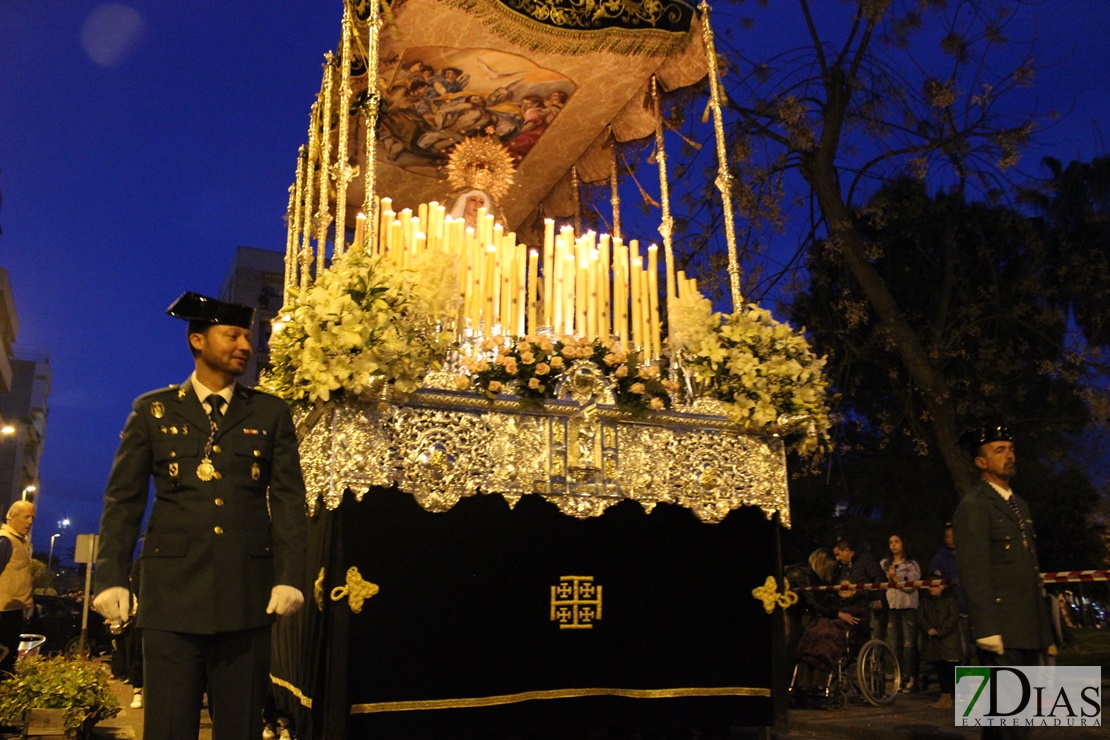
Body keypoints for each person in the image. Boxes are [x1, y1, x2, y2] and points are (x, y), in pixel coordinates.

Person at [92, 292, 308, 740]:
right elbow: (123, 499)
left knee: (240, 727)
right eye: (232, 335)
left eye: (248, 337)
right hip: (171, 596)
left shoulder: (269, 412)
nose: (245, 346)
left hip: (247, 594)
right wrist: (111, 574)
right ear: (197, 340)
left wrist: (291, 575)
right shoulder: (153, 410)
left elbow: (288, 499)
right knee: (168, 726)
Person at [953, 425, 1051, 739]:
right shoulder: (975, 505)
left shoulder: (1018, 504)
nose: (1009, 455)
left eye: (1010, 448)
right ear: (981, 462)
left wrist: (1044, 631)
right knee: (1007, 724)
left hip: (1026, 629)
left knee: (1018, 723)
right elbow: (975, 571)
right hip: (1001, 630)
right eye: (999, 450)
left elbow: (1030, 572)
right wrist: (987, 629)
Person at [880, 534, 920, 692]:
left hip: (908, 606)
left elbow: (910, 587)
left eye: (897, 541)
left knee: (909, 644)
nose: (893, 545)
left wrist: (895, 578)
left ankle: (912, 678)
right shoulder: (884, 564)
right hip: (892, 607)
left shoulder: (911, 565)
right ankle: (899, 678)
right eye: (890, 542)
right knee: (895, 645)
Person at [0, 500, 35, 677]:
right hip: (3, 611)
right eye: (26, 517)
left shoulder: (19, 541)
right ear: (12, 517)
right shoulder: (5, 540)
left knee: (9, 659)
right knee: (4, 658)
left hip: (13, 609)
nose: (30, 522)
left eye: (32, 518)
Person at [928, 522, 971, 664]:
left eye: (954, 535)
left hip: (972, 606)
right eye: (948, 536)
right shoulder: (940, 558)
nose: (952, 539)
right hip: (954, 610)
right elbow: (934, 579)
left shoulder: (968, 553)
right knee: (961, 651)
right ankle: (961, 683)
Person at [919, 570, 961, 709]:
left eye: (935, 584)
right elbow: (921, 616)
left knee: (952, 668)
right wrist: (928, 629)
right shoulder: (925, 600)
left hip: (949, 641)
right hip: (934, 641)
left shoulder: (950, 599)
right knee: (941, 668)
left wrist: (940, 631)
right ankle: (945, 697)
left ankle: (957, 697)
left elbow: (953, 618)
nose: (931, 587)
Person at [832, 538, 886, 638]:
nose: (837, 559)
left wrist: (878, 599)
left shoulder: (865, 560)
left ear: (846, 551)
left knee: (875, 637)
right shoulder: (844, 568)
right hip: (854, 608)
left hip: (870, 607)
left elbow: (879, 577)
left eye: (838, 554)